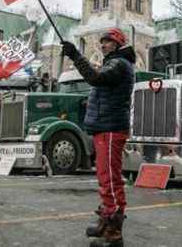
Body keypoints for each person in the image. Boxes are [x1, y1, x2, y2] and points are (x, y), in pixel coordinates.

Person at [61, 28, 135, 247]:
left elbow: (95, 78)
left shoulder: (119, 63)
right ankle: (106, 219)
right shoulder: (114, 63)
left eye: (108, 42)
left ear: (118, 45)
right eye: (102, 42)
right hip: (104, 127)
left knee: (110, 179)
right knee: (105, 177)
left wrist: (75, 55)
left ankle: (114, 232)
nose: (103, 45)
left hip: (111, 128)